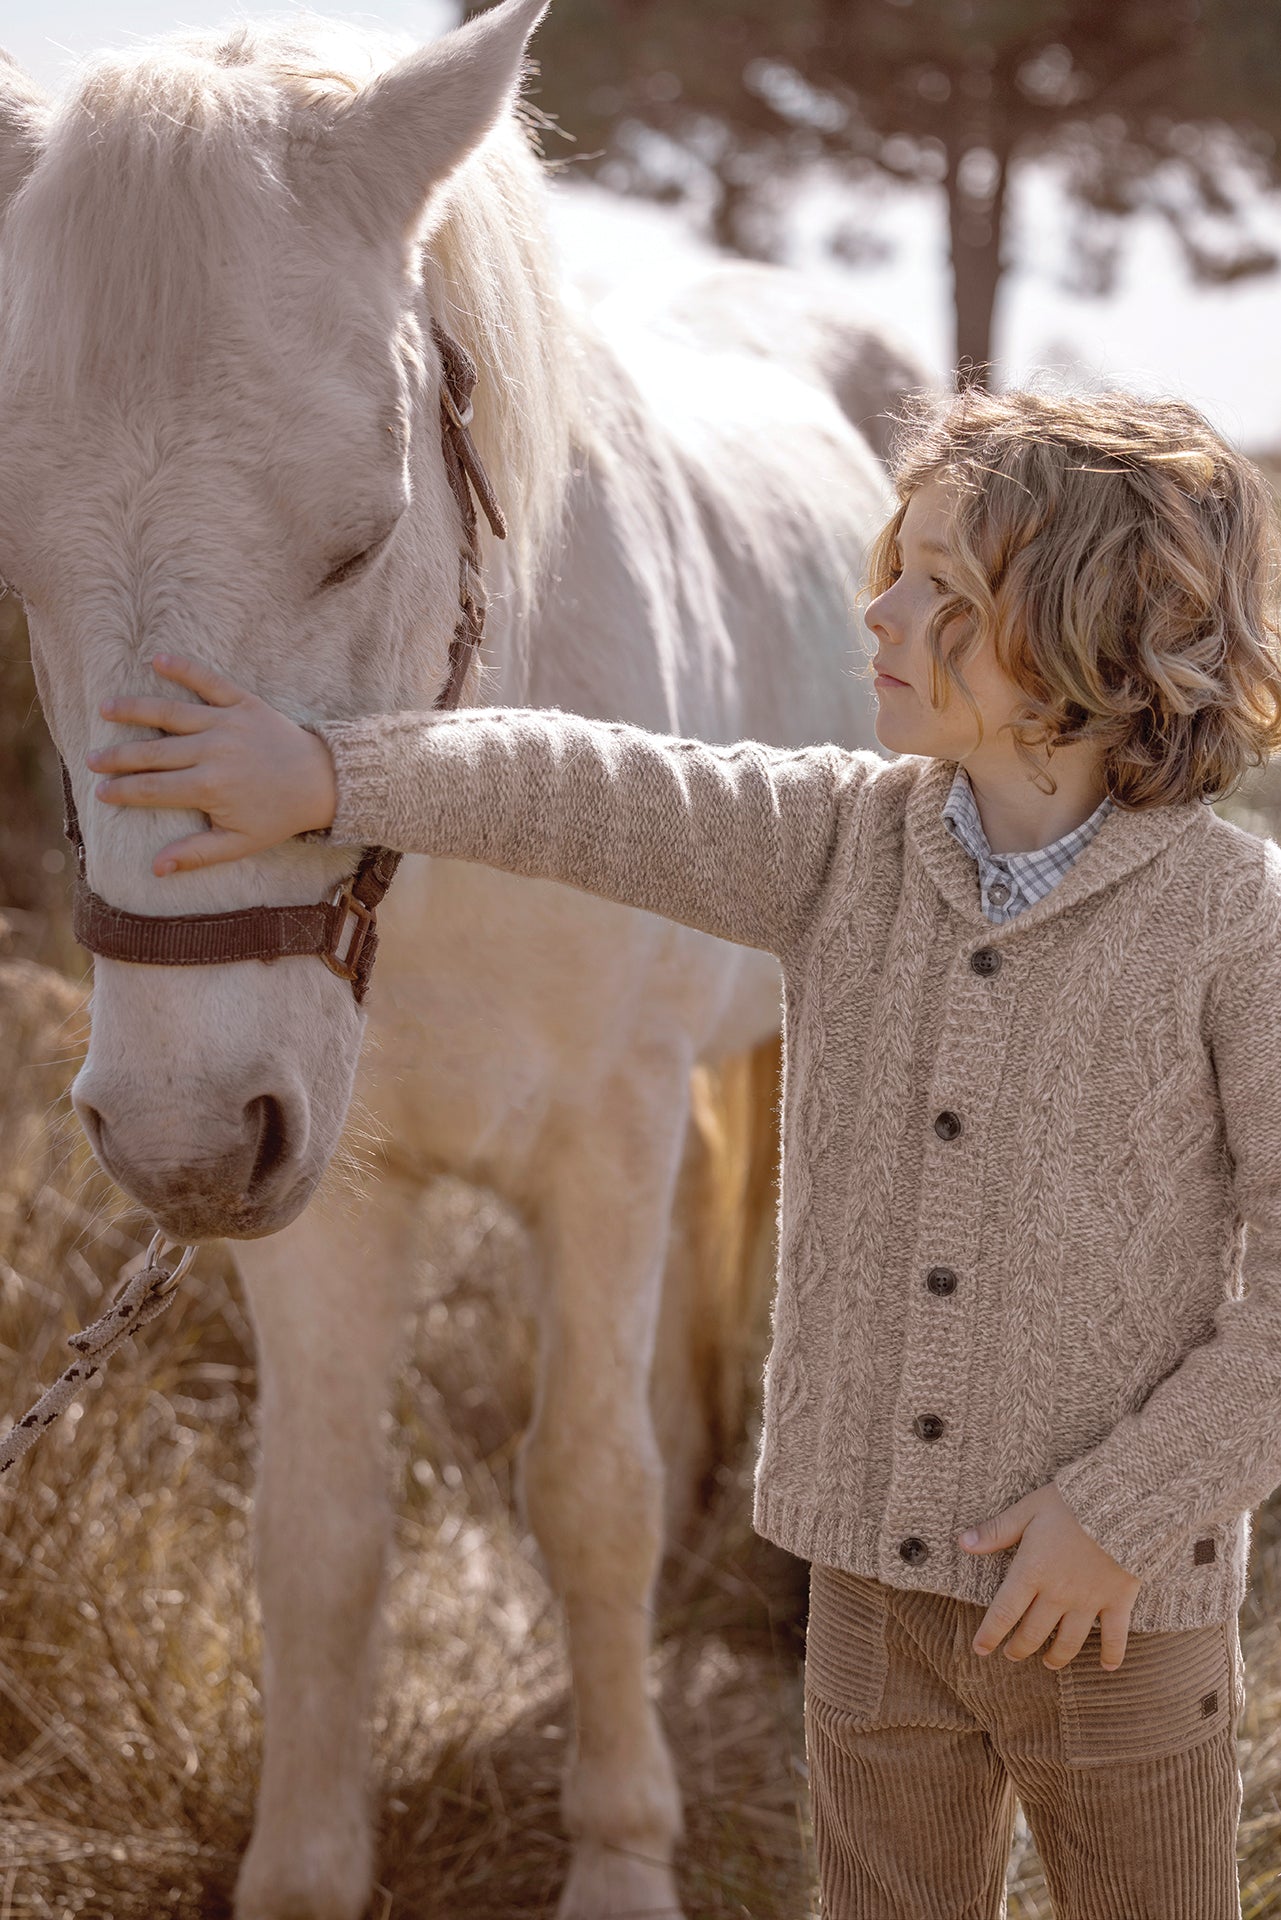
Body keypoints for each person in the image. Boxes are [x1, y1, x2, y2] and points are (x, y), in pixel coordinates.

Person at [86, 387, 1281, 1919]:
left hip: (1115, 1616)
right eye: (890, 566)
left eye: (937, 587)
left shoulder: (1234, 927)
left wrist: (1121, 1517)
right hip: (872, 1608)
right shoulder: (838, 843)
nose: (875, 610)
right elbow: (581, 787)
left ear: (1087, 634)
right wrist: (329, 774)